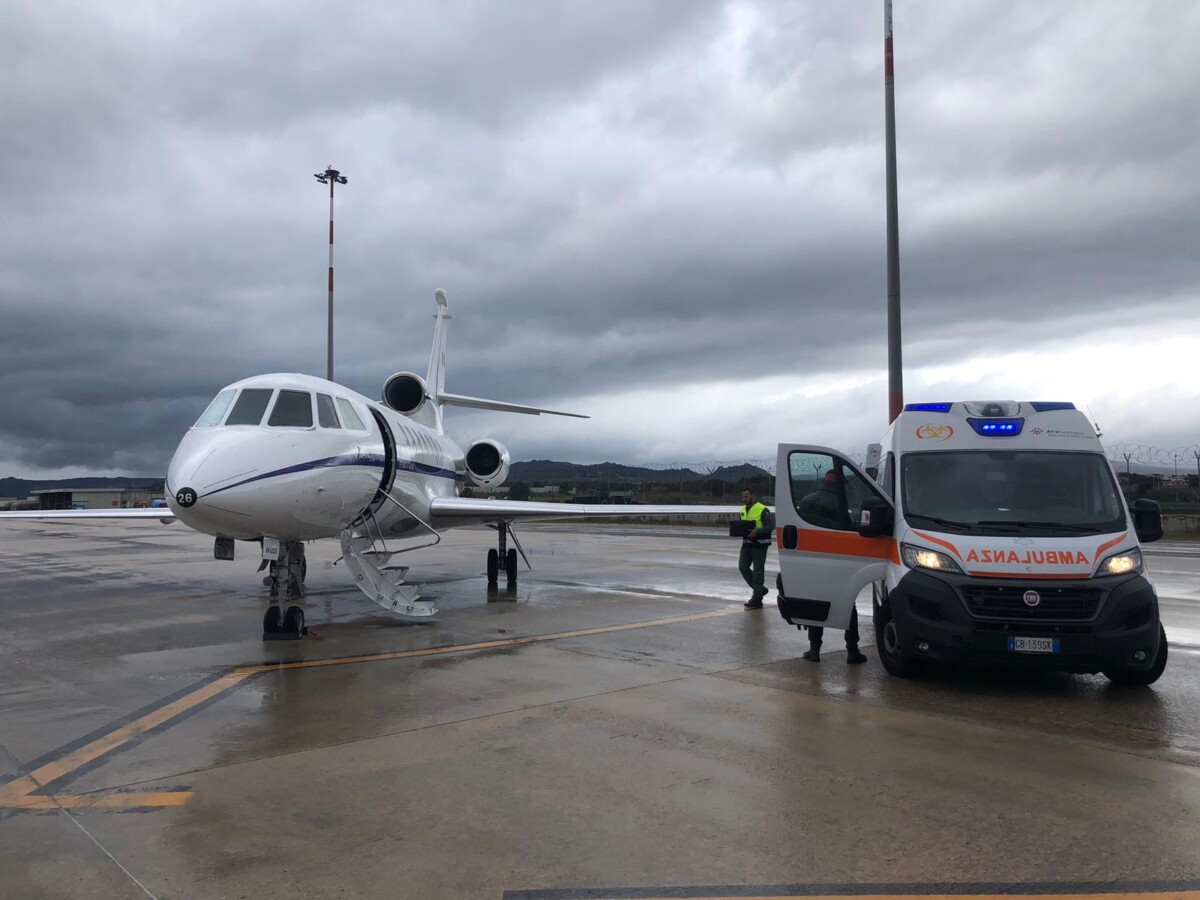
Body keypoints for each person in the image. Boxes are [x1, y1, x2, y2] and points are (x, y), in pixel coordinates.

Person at [797, 470, 867, 664]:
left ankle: (814, 650)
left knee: (816, 606)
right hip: (839, 561)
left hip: (814, 562)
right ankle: (852, 651)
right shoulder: (842, 504)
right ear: (837, 484)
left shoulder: (807, 500)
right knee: (848, 606)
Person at [737, 488, 774, 609]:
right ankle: (760, 590)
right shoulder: (742, 510)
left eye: (746, 497)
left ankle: (757, 599)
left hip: (760, 544)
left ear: (753, 495)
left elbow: (770, 526)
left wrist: (757, 531)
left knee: (758, 572)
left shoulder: (763, 509)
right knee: (743, 567)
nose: (744, 499)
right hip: (747, 544)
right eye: (743, 497)